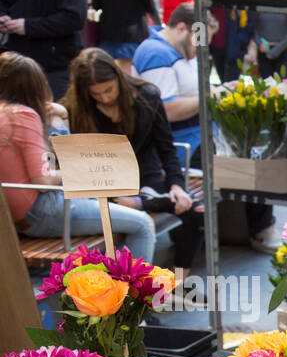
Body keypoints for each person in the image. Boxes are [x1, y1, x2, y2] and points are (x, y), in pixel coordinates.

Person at [0, 52, 156, 259]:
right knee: (142, 224)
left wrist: (60, 116)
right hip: (39, 212)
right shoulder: (24, 116)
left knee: (109, 205)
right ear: (33, 86)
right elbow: (43, 178)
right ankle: (134, 291)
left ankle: (114, 284)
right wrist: (78, 172)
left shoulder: (6, 115)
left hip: (13, 214)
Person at [65, 47, 202, 276]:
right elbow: (78, 164)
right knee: (132, 216)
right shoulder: (77, 109)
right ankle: (134, 295)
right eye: (96, 95)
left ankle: (179, 283)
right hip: (102, 185)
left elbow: (165, 147)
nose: (105, 98)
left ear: (118, 78)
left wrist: (176, 185)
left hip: (145, 176)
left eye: (109, 90)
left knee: (197, 211)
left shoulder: (146, 96)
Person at [130, 0, 201, 167]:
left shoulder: (179, 50)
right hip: (182, 147)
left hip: (193, 143)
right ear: (182, 28)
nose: (200, 47)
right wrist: (210, 97)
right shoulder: (156, 54)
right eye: (198, 40)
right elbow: (167, 109)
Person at [0, 0, 88, 98]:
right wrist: (3, 17)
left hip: (55, 66)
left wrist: (27, 26)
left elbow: (75, 17)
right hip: (16, 65)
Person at [92, 0, 157, 72]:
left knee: (109, 72)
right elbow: (149, 4)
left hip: (109, 32)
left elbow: (96, 5)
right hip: (133, 33)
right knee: (130, 75)